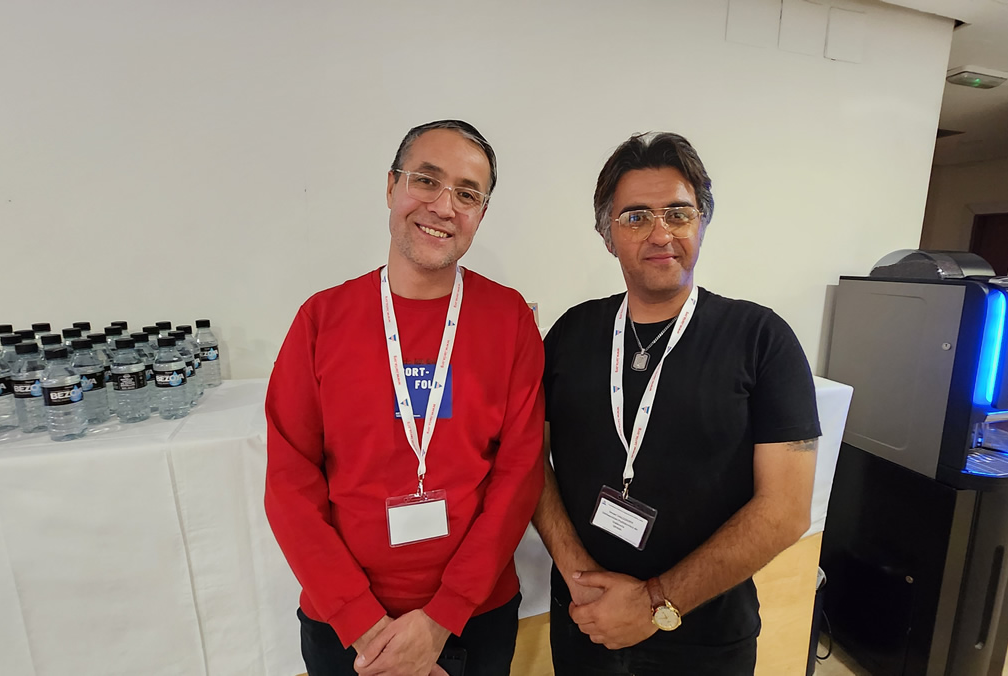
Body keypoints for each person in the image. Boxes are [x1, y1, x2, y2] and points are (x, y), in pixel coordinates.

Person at [534, 132, 821, 675]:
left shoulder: (762, 339)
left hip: (704, 637)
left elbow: (786, 510)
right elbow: (528, 459)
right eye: (635, 217)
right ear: (607, 234)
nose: (660, 233)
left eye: (678, 214)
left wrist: (654, 603)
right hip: (584, 621)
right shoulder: (570, 334)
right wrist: (578, 578)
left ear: (702, 222)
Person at [265, 119, 545, 676]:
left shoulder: (510, 319)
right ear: (392, 185)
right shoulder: (321, 319)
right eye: (427, 180)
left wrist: (442, 618)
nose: (443, 206)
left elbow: (519, 476)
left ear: (481, 214)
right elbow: (289, 484)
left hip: (474, 618)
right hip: (345, 626)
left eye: (467, 194)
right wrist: (368, 630)